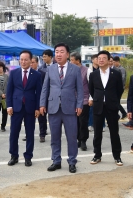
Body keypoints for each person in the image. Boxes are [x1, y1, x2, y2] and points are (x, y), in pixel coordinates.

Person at [40, 43, 83, 173]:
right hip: (53, 108)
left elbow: (80, 90)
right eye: (57, 52)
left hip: (70, 108)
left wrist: (79, 105)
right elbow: (45, 88)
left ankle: (72, 162)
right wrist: (42, 104)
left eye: (61, 52)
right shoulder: (50, 69)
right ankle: (56, 160)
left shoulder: (75, 69)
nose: (58, 54)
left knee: (71, 137)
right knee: (54, 137)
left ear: (68, 54)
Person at [6, 50, 42, 167]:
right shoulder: (14, 73)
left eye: (26, 59)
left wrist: (37, 108)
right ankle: (14, 156)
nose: (23, 62)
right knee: (14, 133)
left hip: (30, 108)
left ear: (31, 61)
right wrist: (9, 105)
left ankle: (28, 156)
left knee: (30, 133)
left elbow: (39, 93)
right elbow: (9, 91)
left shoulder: (36, 75)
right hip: (16, 107)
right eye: (21, 59)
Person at [88, 50, 124, 166]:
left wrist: (113, 100)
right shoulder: (93, 75)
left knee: (114, 132)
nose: (101, 60)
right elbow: (91, 90)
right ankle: (97, 155)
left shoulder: (116, 73)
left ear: (109, 60)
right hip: (98, 106)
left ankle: (117, 156)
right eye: (99, 58)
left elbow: (120, 90)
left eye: (104, 58)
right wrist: (98, 99)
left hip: (111, 106)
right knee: (97, 132)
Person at [70, 52, 90, 151]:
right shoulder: (70, 71)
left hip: (84, 101)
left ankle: (83, 140)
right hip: (72, 101)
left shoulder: (87, 71)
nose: (70, 62)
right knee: (75, 122)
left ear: (78, 61)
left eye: (72, 60)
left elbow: (91, 86)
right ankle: (78, 139)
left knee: (83, 122)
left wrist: (91, 98)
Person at [37, 49, 54, 141]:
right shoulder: (41, 69)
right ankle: (42, 134)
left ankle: (55, 133)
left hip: (54, 96)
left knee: (54, 116)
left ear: (50, 57)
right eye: (43, 56)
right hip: (44, 95)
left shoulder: (56, 67)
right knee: (42, 116)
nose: (44, 58)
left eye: (45, 56)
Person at [87, 54, 99, 132]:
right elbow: (89, 82)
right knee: (91, 109)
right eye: (96, 59)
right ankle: (90, 124)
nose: (98, 60)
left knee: (100, 109)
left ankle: (101, 125)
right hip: (92, 91)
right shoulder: (90, 69)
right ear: (92, 60)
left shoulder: (101, 69)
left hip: (99, 91)